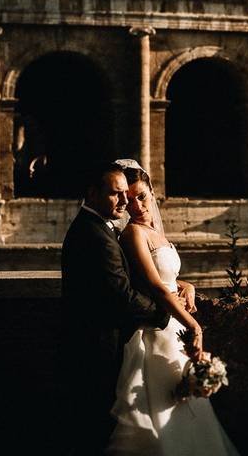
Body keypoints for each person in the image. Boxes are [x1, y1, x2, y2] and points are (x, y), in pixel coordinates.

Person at [106, 161, 239, 455]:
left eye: (142, 196)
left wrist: (185, 285)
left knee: (188, 404)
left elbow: (165, 276)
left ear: (153, 192)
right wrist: (194, 325)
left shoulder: (155, 231)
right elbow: (154, 285)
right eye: (129, 199)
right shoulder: (133, 234)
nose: (137, 205)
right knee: (163, 406)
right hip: (157, 330)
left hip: (173, 323)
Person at [61, 161, 171, 455]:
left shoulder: (97, 228)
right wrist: (163, 314)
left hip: (95, 343)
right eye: (116, 194)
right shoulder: (95, 236)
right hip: (95, 347)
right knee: (96, 428)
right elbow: (120, 295)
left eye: (128, 193)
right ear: (92, 193)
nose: (125, 201)